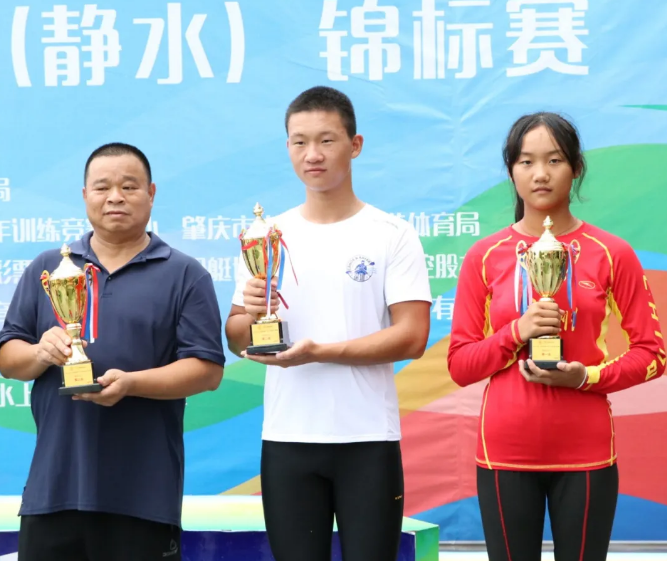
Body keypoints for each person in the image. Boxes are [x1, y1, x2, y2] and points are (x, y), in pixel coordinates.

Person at [225, 86, 432, 561]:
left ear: (354, 145)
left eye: (326, 140)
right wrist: (251, 314)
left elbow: (413, 336)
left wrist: (321, 352)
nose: (312, 155)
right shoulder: (266, 236)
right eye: (299, 142)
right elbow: (236, 338)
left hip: (367, 440)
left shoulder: (391, 234)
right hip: (288, 438)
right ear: (287, 147)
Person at [447, 112, 665, 561]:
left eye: (554, 160)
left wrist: (585, 377)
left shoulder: (611, 253)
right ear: (511, 171)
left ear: (576, 167)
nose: (540, 174)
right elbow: (461, 365)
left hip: (586, 450)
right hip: (504, 451)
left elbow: (653, 353)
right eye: (526, 161)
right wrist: (516, 332)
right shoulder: (484, 256)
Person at [0, 143, 226, 561]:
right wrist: (41, 353)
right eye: (102, 187)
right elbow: (9, 358)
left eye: (129, 186)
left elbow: (207, 370)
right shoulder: (50, 269)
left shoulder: (185, 274)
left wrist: (131, 384)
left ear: (151, 194)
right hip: (53, 491)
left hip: (142, 496)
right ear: (85, 195)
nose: (115, 197)